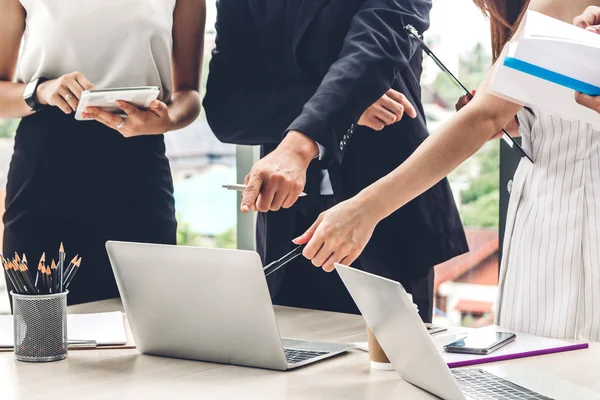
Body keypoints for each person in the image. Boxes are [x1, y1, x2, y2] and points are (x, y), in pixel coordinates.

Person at [295, 0, 600, 341]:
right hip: (547, 218)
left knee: (560, 370)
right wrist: (528, 119)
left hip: (576, 222)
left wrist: (365, 209)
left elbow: (482, 118)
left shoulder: (556, 3)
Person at [204, 0, 468, 321]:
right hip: (286, 229)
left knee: (389, 368)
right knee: (287, 362)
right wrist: (342, 106)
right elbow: (225, 110)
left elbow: (374, 51)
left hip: (387, 218)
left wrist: (304, 139)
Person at [0, 0, 205, 304]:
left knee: (148, 330)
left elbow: (189, 93)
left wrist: (170, 118)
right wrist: (42, 90)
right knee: (42, 337)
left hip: (138, 169)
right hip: (45, 171)